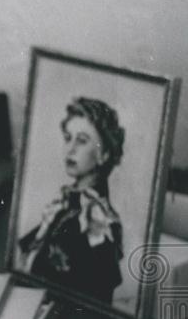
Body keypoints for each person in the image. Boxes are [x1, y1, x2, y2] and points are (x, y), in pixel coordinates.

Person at [18, 97, 125, 304]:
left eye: (82, 140)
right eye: (68, 138)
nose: (70, 148)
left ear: (103, 154)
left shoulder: (97, 218)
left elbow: (99, 296)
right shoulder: (65, 206)